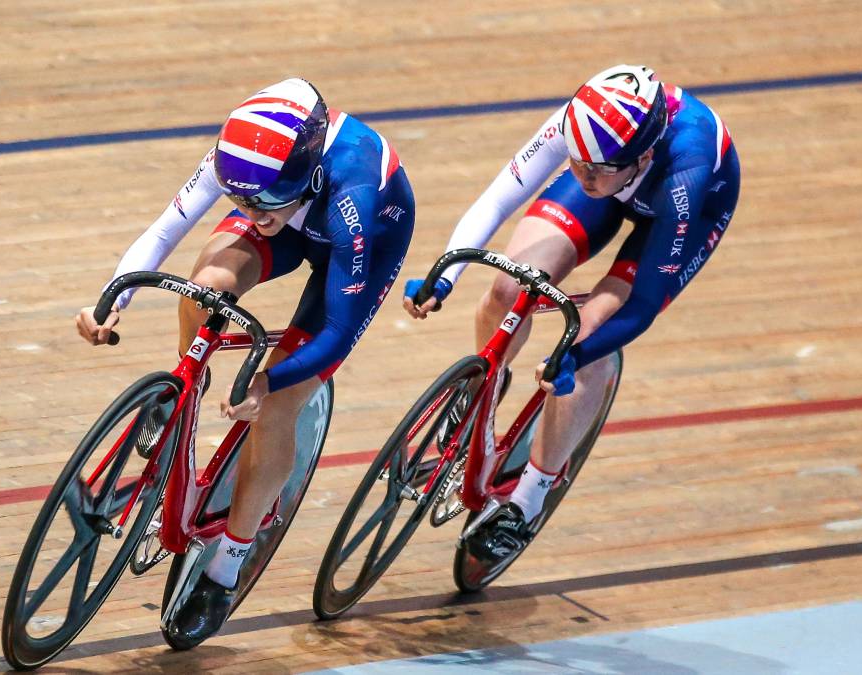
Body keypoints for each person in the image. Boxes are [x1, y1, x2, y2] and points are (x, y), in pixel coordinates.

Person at [75, 78, 415, 644]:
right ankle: (184, 393)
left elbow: (335, 329)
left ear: (304, 173)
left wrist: (268, 379)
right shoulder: (244, 158)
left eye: (264, 201)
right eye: (241, 201)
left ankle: (226, 566)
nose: (252, 213)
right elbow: (166, 229)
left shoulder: (353, 196)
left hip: (359, 244)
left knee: (279, 404)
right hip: (299, 215)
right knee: (203, 285)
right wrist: (112, 299)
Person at [403, 65, 740, 563]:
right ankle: (481, 397)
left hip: (686, 210)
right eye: (578, 163)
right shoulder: (582, 126)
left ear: (643, 154)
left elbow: (643, 304)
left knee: (590, 337)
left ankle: (528, 501)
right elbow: (500, 197)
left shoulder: (684, 173)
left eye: (597, 168)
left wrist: (576, 352)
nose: (583, 176)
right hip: (617, 185)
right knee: (506, 285)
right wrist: (446, 274)